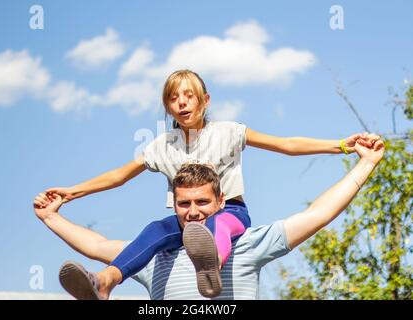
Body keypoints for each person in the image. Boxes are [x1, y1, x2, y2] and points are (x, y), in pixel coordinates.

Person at [35, 69, 379, 298]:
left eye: (189, 95)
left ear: (205, 100)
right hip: (183, 227)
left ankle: (211, 266)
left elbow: (285, 144)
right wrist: (71, 192)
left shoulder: (228, 132)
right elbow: (118, 176)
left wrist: (341, 145)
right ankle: (105, 281)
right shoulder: (162, 146)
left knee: (217, 225)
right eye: (173, 98)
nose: (181, 103)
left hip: (231, 214)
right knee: (157, 229)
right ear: (167, 105)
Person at [34, 137, 385, 299]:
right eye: (185, 204)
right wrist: (51, 217)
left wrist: (365, 164)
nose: (194, 211)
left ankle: (213, 263)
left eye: (202, 202)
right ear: (174, 203)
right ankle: (104, 283)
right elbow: (96, 244)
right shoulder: (155, 255)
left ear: (220, 201)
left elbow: (317, 214)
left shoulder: (247, 244)